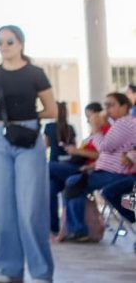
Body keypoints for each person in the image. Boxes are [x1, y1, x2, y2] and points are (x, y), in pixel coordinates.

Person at [0, 25, 57, 281]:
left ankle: (41, 272)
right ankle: (6, 270)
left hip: (29, 139)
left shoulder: (35, 73)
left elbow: (52, 111)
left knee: (31, 207)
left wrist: (25, 117)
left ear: (21, 43)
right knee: (0, 208)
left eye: (9, 41)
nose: (4, 46)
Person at [60, 92, 136, 242]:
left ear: (124, 106)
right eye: (105, 105)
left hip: (115, 174)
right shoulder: (117, 124)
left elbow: (104, 147)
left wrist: (95, 128)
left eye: (111, 105)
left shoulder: (124, 123)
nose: (107, 109)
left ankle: (77, 230)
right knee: (70, 184)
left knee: (70, 181)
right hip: (106, 171)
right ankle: (76, 230)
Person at [48, 102, 102, 238]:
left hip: (82, 168)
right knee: (50, 187)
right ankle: (55, 229)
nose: (88, 120)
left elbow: (102, 155)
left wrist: (76, 151)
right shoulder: (90, 133)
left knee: (45, 167)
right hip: (72, 164)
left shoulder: (104, 132)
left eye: (89, 116)